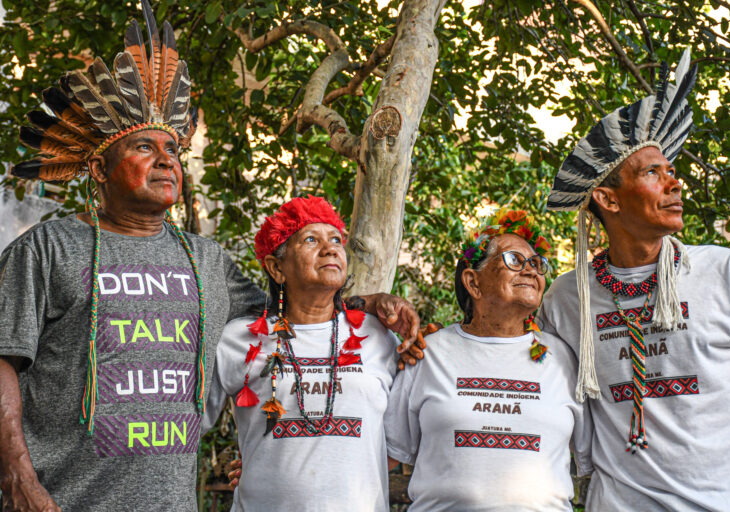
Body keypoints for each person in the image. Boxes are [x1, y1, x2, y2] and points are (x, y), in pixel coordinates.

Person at [0, 5, 420, 511]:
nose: (166, 159)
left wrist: (368, 301)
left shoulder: (207, 261)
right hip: (62, 499)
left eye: (173, 149)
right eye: (143, 147)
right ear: (97, 166)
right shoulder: (47, 249)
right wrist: (18, 479)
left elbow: (292, 309)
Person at [540, 48, 730, 511]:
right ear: (608, 198)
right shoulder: (567, 299)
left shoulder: (727, 273)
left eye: (671, 171)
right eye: (652, 173)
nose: (674, 183)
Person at [384, 205, 592, 511]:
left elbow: (597, 459)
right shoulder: (428, 353)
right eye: (514, 260)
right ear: (473, 282)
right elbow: (385, 455)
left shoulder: (564, 358)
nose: (531, 270)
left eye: (536, 263)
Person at [203, 196, 404, 511]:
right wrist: (261, 460)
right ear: (276, 267)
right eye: (311, 239)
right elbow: (186, 424)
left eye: (336, 239)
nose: (330, 248)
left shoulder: (377, 336)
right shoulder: (237, 340)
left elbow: (399, 443)